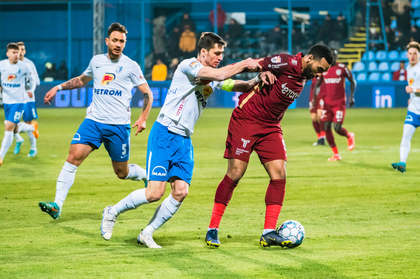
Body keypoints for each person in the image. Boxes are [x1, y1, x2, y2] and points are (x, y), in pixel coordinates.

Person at [100, 32, 266, 248]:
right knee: (154, 193)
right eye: (217, 53)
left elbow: (234, 84)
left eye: (222, 54)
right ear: (204, 52)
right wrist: (245, 63)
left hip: (184, 140)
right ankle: (112, 212)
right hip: (165, 133)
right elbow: (216, 76)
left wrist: (256, 80)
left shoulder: (213, 76)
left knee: (180, 191)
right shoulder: (189, 66)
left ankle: (147, 233)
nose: (220, 57)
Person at [205, 44, 334, 248]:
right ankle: (213, 229)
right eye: (320, 69)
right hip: (246, 119)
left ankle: (268, 233)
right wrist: (263, 71)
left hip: (271, 127)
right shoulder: (286, 61)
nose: (319, 75)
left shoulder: (304, 76)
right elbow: (256, 64)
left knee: (279, 174)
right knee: (236, 173)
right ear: (309, 58)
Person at [38, 22, 153, 219]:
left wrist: (143, 118)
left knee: (122, 173)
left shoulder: (131, 66)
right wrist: (58, 88)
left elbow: (148, 94)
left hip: (118, 126)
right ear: (107, 41)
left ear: (125, 43)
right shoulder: (97, 61)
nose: (118, 44)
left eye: (122, 41)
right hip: (93, 122)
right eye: (115, 40)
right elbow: (82, 80)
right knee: (73, 157)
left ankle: (144, 175)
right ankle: (57, 205)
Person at [0, 43, 34, 166]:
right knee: (12, 127)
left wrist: (29, 90)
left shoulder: (24, 67)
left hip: (18, 102)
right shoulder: (1, 65)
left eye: (17, 52)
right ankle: (30, 128)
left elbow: (29, 81)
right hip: (6, 102)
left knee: (8, 127)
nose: (16, 55)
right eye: (13, 52)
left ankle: (0, 157)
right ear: (7, 53)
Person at [317, 59, 356, 161]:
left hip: (339, 103)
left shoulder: (342, 68)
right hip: (326, 104)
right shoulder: (324, 69)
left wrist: (352, 97)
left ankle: (349, 135)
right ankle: (336, 154)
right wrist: (317, 100)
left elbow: (352, 82)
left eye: (333, 55)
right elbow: (318, 84)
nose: (332, 58)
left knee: (337, 128)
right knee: (326, 127)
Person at [392, 41, 420, 173]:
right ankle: (402, 163)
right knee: (406, 136)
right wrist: (411, 98)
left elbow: (413, 88)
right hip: (414, 110)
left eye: (415, 53)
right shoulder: (409, 68)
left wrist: (413, 90)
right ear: (407, 55)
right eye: (410, 53)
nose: (412, 56)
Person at [13, 41, 40, 158]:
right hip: (15, 99)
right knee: (11, 123)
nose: (21, 52)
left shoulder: (29, 64)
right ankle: (19, 139)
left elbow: (36, 80)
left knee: (26, 121)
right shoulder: (11, 65)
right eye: (19, 50)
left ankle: (33, 149)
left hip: (28, 99)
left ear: (25, 51)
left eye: (23, 49)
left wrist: (30, 90)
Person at [309, 75, 325, 145]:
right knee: (314, 118)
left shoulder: (325, 75)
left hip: (322, 97)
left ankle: (322, 137)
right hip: (313, 98)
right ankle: (319, 138)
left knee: (320, 116)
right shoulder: (313, 75)